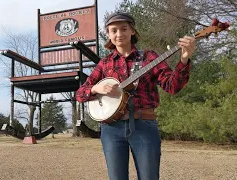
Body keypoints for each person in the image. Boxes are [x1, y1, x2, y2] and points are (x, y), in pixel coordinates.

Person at [76, 12, 196, 180]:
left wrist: (184, 59)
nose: (119, 34)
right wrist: (96, 88)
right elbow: (80, 94)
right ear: (109, 34)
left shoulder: (149, 57)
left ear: (132, 31)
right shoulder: (104, 64)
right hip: (111, 129)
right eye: (114, 30)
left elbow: (172, 86)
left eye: (124, 28)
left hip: (144, 126)